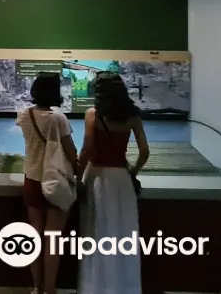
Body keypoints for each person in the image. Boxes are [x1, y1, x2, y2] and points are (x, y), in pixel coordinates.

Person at [77, 71, 149, 294]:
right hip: (122, 179)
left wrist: (77, 177)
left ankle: (96, 285)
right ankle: (124, 285)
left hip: (97, 177)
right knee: (123, 232)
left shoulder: (93, 115)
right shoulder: (132, 117)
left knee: (97, 231)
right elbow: (144, 152)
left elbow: (87, 149)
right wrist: (132, 172)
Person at [17, 73, 78, 294]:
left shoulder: (24, 115)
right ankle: (50, 289)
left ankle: (36, 286)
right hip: (55, 181)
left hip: (32, 179)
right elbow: (71, 151)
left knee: (35, 235)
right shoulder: (58, 119)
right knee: (52, 238)